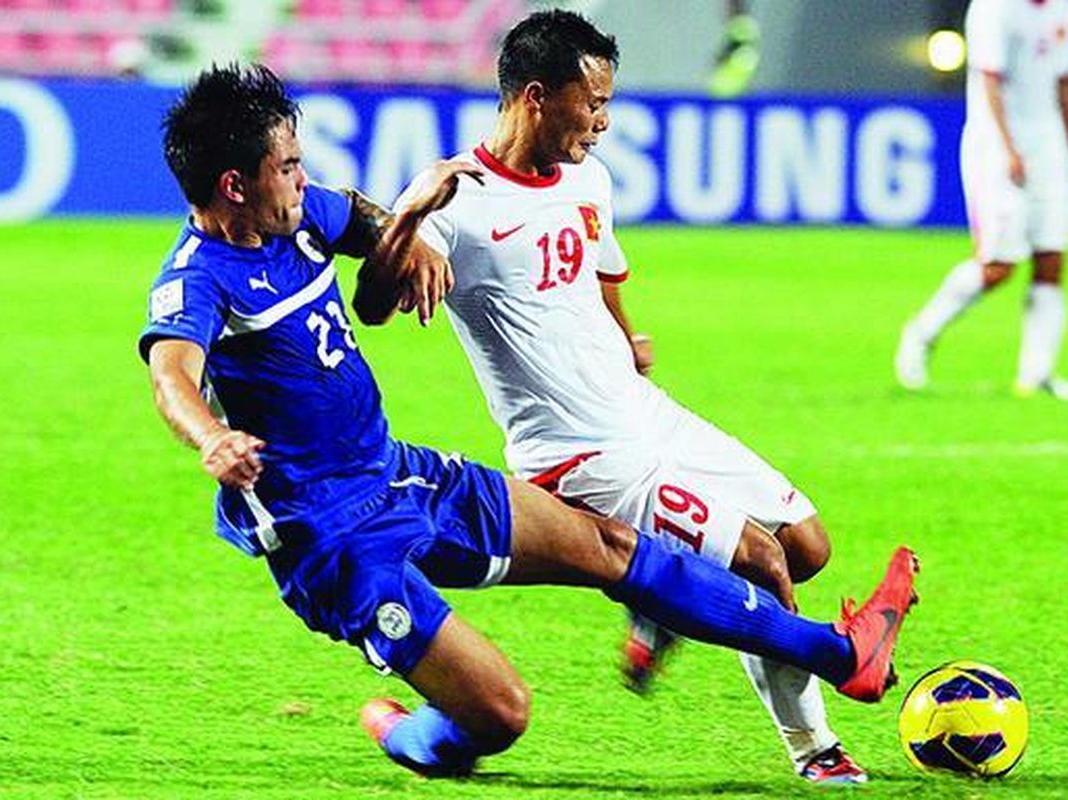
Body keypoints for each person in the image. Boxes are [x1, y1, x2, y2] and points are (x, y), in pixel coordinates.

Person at [140, 63, 919, 781]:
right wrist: (212, 437)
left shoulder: (301, 213)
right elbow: (172, 373)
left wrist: (403, 236)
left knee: (611, 546)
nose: (303, 179)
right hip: (328, 535)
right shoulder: (198, 280)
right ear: (235, 185)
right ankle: (409, 736)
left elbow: (365, 225)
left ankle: (841, 653)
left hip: (395, 473)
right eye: (287, 168)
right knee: (500, 713)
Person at [391, 10, 871, 784]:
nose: (604, 123)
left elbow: (602, 275)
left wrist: (629, 340)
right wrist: (409, 215)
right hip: (578, 455)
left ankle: (656, 599)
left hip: (640, 410)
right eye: (594, 104)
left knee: (810, 545)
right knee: (764, 564)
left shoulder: (588, 178)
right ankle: (817, 751)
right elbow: (377, 301)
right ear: (539, 97)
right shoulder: (461, 202)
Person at [895, 0, 1068, 400]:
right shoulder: (993, 8)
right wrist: (1009, 149)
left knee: (1052, 260)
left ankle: (1037, 375)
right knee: (999, 265)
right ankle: (921, 333)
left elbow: (1063, 83)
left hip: (1048, 142)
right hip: (995, 145)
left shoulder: (1066, 10)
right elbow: (989, 81)